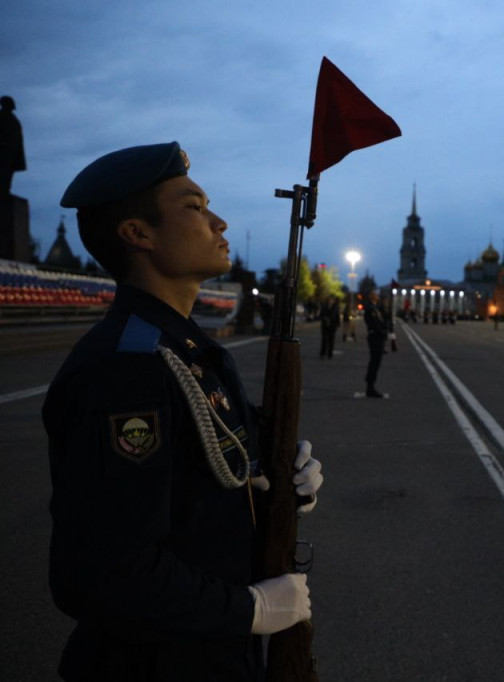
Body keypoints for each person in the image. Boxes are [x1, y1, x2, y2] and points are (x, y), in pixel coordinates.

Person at [43, 142, 324, 681]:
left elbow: (198, 501)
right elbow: (105, 574)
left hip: (213, 654)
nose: (218, 222)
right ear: (138, 234)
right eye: (194, 207)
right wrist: (250, 611)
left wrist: (283, 483)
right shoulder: (126, 370)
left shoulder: (187, 350)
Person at [0, 95, 27, 199]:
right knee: (3, 172)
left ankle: (5, 190)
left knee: (8, 173)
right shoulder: (2, 117)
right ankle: (3, 191)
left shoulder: (13, 118)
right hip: (4, 151)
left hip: (12, 151)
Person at [363, 289, 388, 397]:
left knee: (375, 362)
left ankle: (370, 385)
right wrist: (382, 332)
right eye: (376, 294)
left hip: (377, 337)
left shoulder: (375, 308)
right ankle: (370, 387)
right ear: (372, 295)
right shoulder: (370, 309)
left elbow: (382, 320)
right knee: (374, 362)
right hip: (375, 337)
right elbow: (374, 323)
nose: (378, 296)